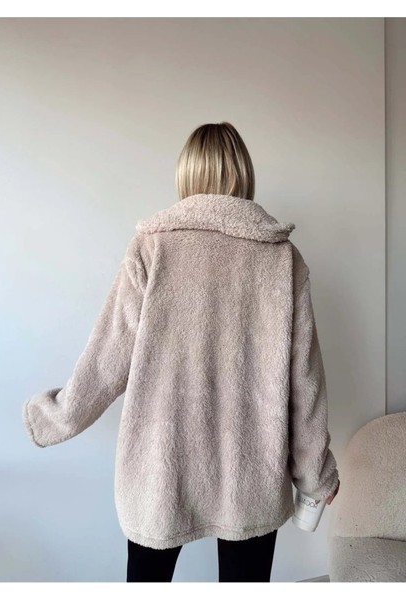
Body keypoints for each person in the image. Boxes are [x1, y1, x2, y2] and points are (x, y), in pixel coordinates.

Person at [23, 121, 340, 582]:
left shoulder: (152, 249)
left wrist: (54, 416)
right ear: (244, 174)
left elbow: (106, 360)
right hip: (250, 474)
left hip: (161, 469)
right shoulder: (281, 258)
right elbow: (305, 384)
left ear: (186, 174)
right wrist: (315, 476)